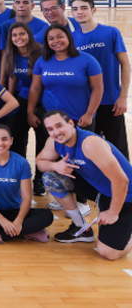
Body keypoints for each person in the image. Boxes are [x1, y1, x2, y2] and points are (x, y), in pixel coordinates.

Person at [37, 111, 132, 260]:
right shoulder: (54, 142)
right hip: (100, 190)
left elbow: (121, 180)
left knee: (108, 252)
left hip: (125, 195)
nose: (56, 132)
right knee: (51, 178)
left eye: (59, 126)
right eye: (50, 129)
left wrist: (113, 212)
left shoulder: (89, 143)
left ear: (71, 123)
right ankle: (82, 228)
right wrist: (55, 166)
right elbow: (40, 162)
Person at [0, 123, 54, 245]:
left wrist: (19, 221)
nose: (0, 143)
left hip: (15, 210)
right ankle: (28, 232)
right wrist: (1, 219)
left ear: (11, 141)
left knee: (47, 216)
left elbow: (27, 197)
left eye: (5, 139)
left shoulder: (21, 163)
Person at [71, 0, 130, 157]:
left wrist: (123, 97)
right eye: (75, 9)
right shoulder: (72, 38)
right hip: (84, 106)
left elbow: (125, 64)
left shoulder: (111, 32)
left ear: (93, 10)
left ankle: (126, 182)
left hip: (110, 101)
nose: (79, 12)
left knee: (118, 150)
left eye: (84, 8)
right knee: (89, 151)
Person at [28, 24, 103, 132]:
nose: (56, 41)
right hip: (50, 120)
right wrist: (30, 113)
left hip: (80, 119)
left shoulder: (88, 60)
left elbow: (98, 88)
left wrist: (89, 114)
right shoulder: (41, 61)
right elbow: (35, 88)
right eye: (51, 39)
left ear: (69, 37)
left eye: (60, 37)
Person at [4, 22, 48, 195]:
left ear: (29, 35)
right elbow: (13, 77)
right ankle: (20, 175)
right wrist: (9, 98)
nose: (18, 38)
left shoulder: (42, 52)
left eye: (22, 34)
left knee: (43, 140)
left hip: (44, 100)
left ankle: (40, 179)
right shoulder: (12, 54)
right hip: (23, 97)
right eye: (15, 35)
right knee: (17, 137)